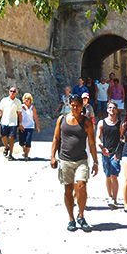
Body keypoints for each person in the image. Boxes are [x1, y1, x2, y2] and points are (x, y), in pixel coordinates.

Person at [50, 94, 98, 232]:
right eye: (73, 105)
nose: (75, 108)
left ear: (82, 106)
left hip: (81, 160)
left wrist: (95, 162)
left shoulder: (87, 122)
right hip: (65, 160)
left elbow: (92, 143)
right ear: (69, 105)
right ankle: (71, 219)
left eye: (78, 105)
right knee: (68, 190)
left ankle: (81, 215)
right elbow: (56, 138)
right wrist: (52, 156)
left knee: (81, 186)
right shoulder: (62, 120)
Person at [96, 102, 122, 208]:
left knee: (114, 176)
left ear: (116, 110)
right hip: (105, 153)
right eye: (110, 108)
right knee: (107, 176)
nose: (112, 109)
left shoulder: (119, 124)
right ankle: (110, 196)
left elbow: (123, 139)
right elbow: (97, 137)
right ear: (107, 110)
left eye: (114, 108)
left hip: (115, 154)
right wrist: (102, 147)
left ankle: (114, 199)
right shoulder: (101, 123)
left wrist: (119, 153)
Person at [0, 86, 23, 160]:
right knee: (3, 137)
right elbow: (0, 111)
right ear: (9, 92)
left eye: (14, 91)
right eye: (11, 91)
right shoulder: (4, 100)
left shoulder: (18, 102)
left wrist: (20, 124)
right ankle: (6, 147)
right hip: (4, 122)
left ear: (16, 93)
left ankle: (10, 154)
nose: (12, 93)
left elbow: (19, 114)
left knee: (11, 138)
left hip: (13, 123)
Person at [19, 93, 41, 161]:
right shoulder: (21, 107)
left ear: (31, 100)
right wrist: (19, 124)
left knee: (28, 141)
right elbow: (19, 116)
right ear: (23, 100)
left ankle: (26, 155)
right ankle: (24, 150)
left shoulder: (32, 107)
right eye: (26, 98)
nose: (27, 100)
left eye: (28, 99)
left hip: (30, 127)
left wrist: (37, 126)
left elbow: (35, 117)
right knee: (21, 142)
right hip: (22, 126)